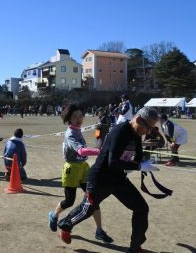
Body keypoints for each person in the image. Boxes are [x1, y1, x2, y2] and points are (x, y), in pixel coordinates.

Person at [57, 107, 159, 253]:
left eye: (151, 128)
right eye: (148, 127)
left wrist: (144, 162)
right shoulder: (120, 131)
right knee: (86, 210)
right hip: (100, 179)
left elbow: (138, 154)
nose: (148, 132)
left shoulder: (137, 132)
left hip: (118, 179)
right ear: (137, 120)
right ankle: (65, 225)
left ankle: (135, 247)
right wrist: (138, 167)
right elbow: (113, 162)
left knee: (142, 208)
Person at [48, 103, 113, 244]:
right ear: (68, 119)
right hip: (71, 169)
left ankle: (99, 231)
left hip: (83, 168)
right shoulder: (71, 133)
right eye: (75, 116)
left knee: (93, 198)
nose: (79, 119)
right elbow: (81, 151)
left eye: (80, 116)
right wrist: (100, 151)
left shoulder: (77, 130)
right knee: (69, 201)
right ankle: (54, 215)